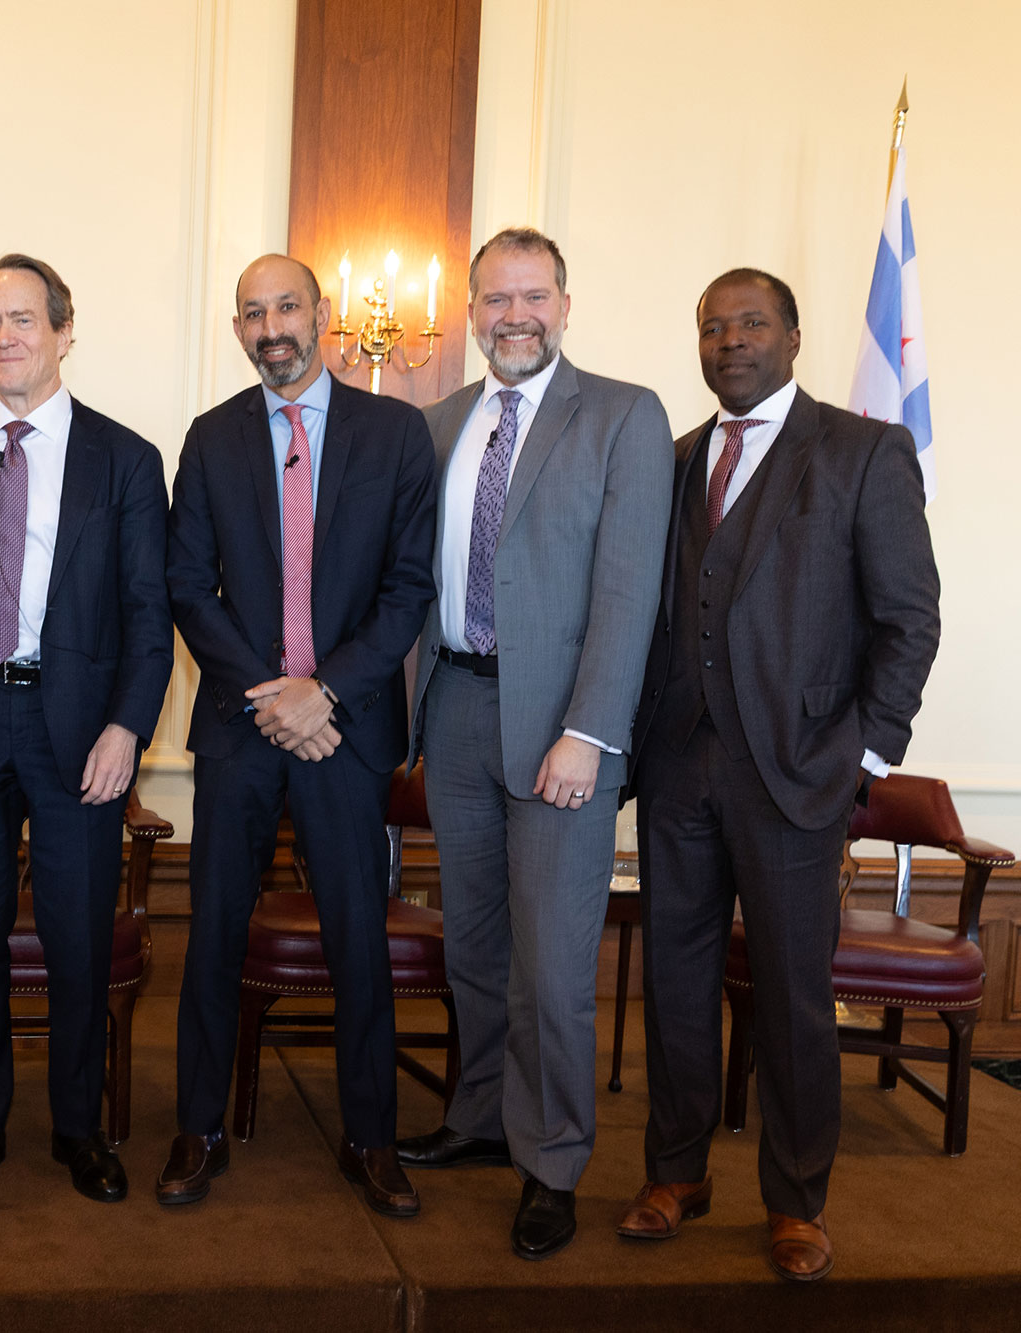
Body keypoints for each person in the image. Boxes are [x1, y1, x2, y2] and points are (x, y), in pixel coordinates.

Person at [617, 268, 940, 1282]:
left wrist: (865, 754)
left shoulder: (862, 451)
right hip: (678, 765)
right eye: (712, 327)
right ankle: (676, 1171)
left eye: (751, 322)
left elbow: (908, 618)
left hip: (798, 775)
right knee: (674, 982)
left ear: (793, 337)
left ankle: (796, 1199)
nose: (730, 341)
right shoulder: (673, 461)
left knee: (794, 997)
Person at [394, 227, 674, 1258]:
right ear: (470, 313)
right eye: (495, 298)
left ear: (563, 304)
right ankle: (480, 1118)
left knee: (551, 967)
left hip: (562, 729)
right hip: (456, 711)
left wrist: (588, 732)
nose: (514, 315)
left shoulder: (623, 416)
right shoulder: (436, 425)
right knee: (472, 946)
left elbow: (629, 592)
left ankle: (552, 1160)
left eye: (533, 296)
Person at [161, 254, 437, 1217]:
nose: (270, 325)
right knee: (212, 934)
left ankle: (372, 1137)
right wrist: (273, 697)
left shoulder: (394, 433)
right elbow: (188, 584)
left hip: (345, 731)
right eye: (252, 311)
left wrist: (325, 695)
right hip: (242, 728)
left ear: (322, 315)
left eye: (286, 306)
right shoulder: (211, 438)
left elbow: (409, 585)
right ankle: (197, 1129)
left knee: (360, 937)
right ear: (237, 327)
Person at [0, 254, 172, 1208]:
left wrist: (127, 727)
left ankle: (77, 1127)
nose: (5, 336)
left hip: (77, 727)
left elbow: (149, 614)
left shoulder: (124, 457)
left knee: (77, 938)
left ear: (64, 330)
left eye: (24, 319)